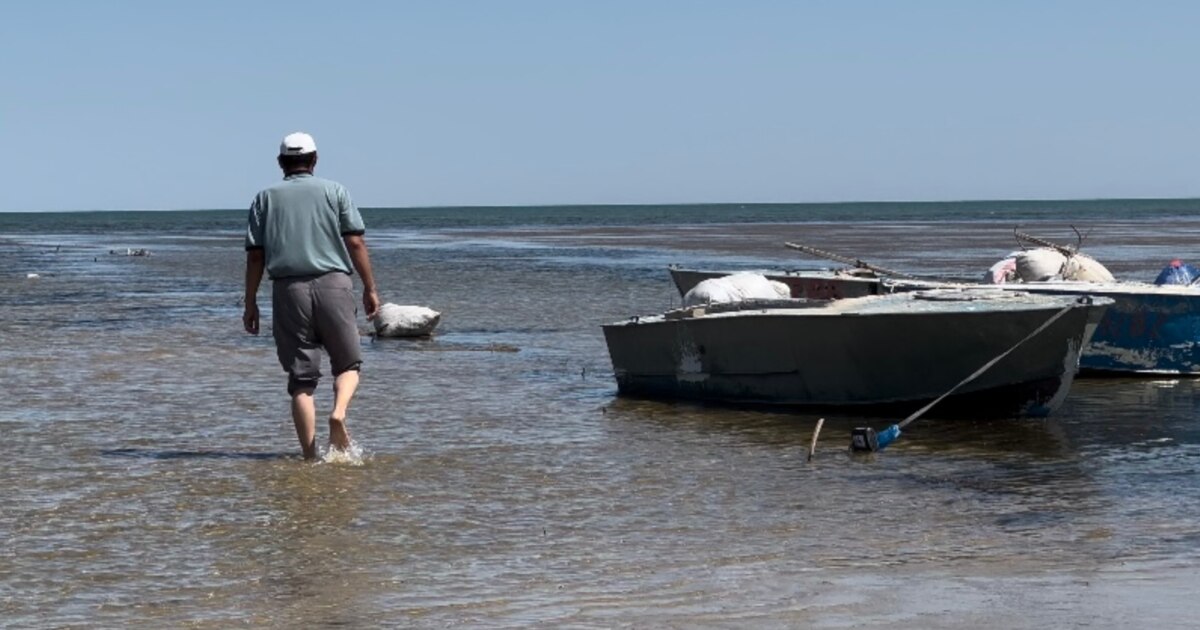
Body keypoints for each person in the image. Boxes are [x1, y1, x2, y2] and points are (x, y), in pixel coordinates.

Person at [243, 132, 381, 459]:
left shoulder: (265, 198)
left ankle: (309, 457)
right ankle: (338, 413)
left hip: (288, 290)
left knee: (301, 382)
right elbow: (356, 242)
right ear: (314, 160)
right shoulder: (335, 191)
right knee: (348, 363)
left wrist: (250, 302)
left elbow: (255, 257)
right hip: (334, 283)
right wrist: (370, 287)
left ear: (280, 163)